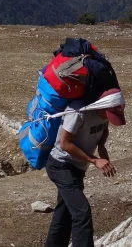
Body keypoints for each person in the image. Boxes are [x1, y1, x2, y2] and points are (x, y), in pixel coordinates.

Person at [45, 88, 126, 247]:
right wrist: (94, 160)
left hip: (77, 168)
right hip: (60, 165)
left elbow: (104, 129)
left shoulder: (104, 113)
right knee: (81, 212)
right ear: (103, 105)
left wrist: (101, 147)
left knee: (64, 214)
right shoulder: (78, 112)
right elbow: (65, 144)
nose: (108, 119)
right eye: (109, 115)